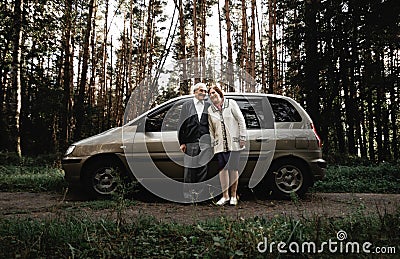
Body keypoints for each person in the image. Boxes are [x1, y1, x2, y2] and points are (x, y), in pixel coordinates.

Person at [208, 85, 246, 206]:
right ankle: (225, 196)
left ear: (219, 93)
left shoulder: (231, 103)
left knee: (233, 169)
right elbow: (211, 128)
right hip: (220, 145)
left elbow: (241, 120)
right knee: (222, 169)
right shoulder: (210, 110)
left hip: (234, 143)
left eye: (213, 92)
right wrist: (213, 142)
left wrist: (242, 137)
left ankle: (234, 196)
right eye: (210, 94)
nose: (212, 95)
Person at [178, 82, 211, 201]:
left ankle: (199, 196)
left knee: (202, 170)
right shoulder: (187, 105)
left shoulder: (208, 106)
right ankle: (188, 196)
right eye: (201, 90)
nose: (203, 93)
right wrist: (182, 142)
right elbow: (181, 124)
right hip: (190, 142)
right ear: (195, 91)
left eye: (205, 91)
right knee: (189, 170)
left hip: (205, 143)